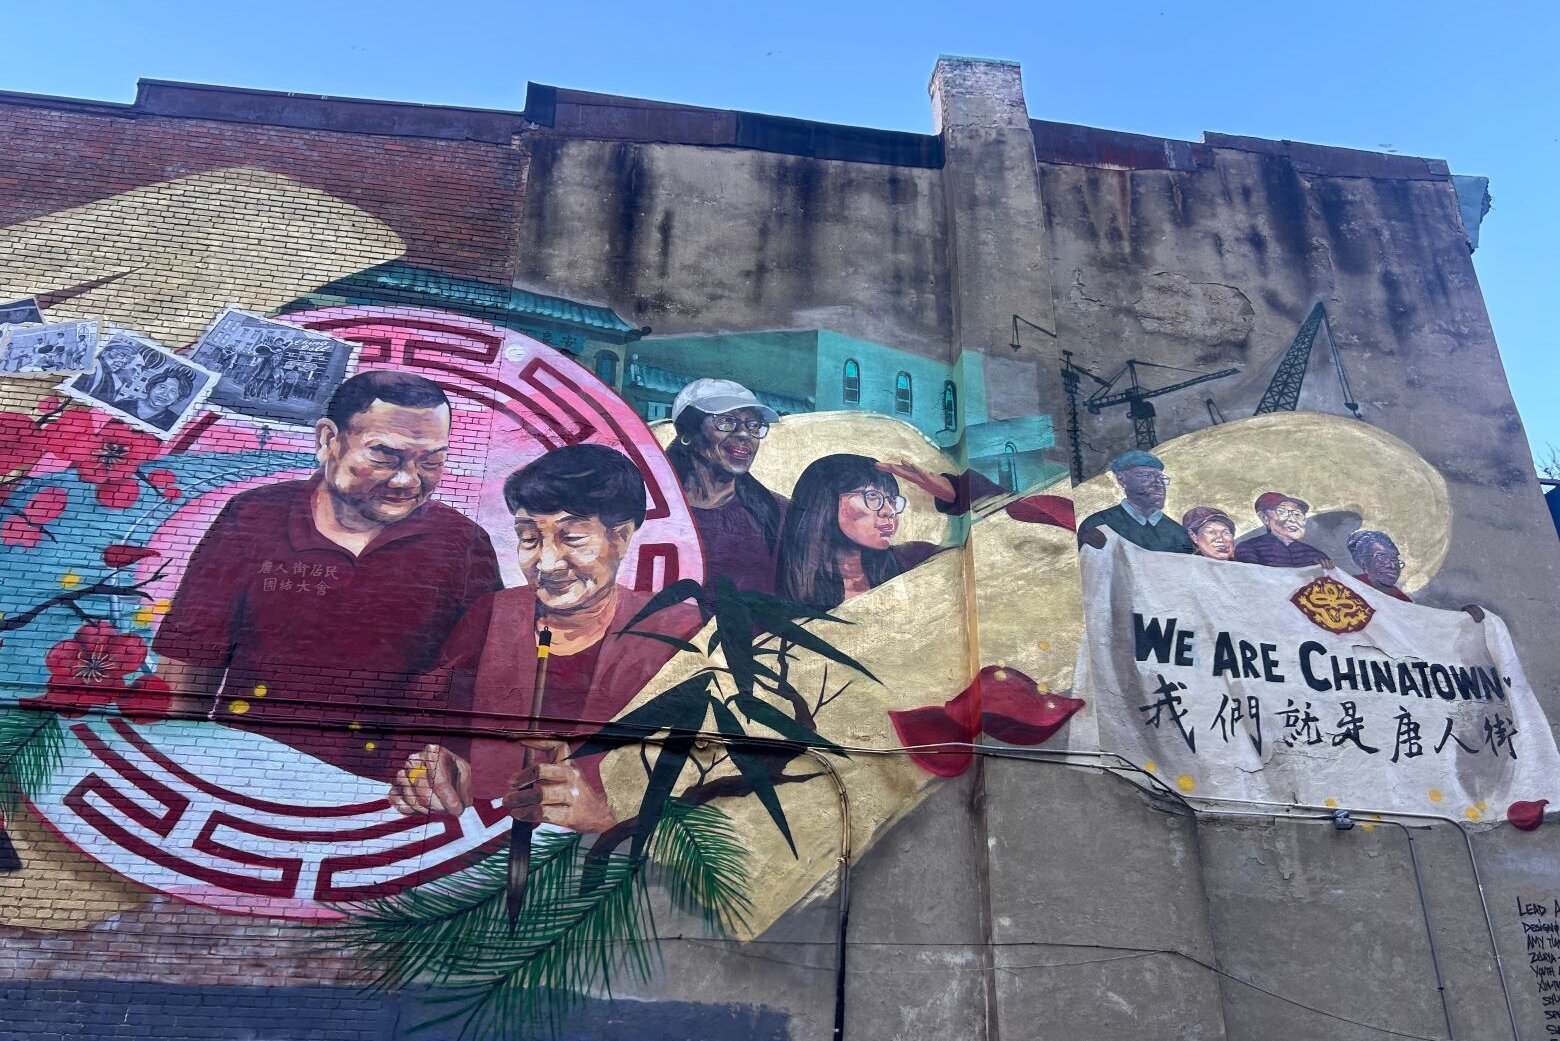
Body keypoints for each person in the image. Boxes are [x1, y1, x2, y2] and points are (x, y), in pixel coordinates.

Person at [153, 370, 502, 779]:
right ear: (327, 441)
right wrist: (168, 763)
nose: (407, 480)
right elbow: (188, 664)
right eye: (384, 455)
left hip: (386, 786)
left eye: (431, 461)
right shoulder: (254, 516)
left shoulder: (462, 543)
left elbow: (483, 683)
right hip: (239, 760)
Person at [387, 444, 703, 833]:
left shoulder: (681, 634)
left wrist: (606, 819)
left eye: (571, 538)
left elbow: (711, 794)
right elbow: (424, 723)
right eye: (529, 538)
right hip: (478, 862)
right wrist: (434, 766)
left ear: (619, 538)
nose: (547, 563)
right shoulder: (491, 616)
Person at [776, 453, 986, 610]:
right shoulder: (779, 579)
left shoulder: (915, 560)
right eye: (873, 498)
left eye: (892, 499)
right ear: (825, 503)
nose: (889, 512)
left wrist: (954, 491)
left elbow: (995, 548)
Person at [666, 379, 788, 595]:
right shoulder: (649, 503)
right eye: (726, 421)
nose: (744, 434)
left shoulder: (777, 512)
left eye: (753, 425)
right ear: (687, 433)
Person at [1077, 450, 1195, 553]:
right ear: (1122, 480)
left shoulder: (1179, 533)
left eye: (1160, 478)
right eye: (1146, 475)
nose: (1157, 483)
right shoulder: (1098, 524)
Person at [1233, 492, 1333, 568]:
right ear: (1264, 518)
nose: (1293, 519)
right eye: (1282, 512)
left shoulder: (1315, 555)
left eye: (1297, 514)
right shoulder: (1249, 548)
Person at [81, 339, 141, 406]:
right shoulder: (93, 367)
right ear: (104, 353)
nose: (123, 361)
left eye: (127, 358)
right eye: (121, 355)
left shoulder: (108, 378)